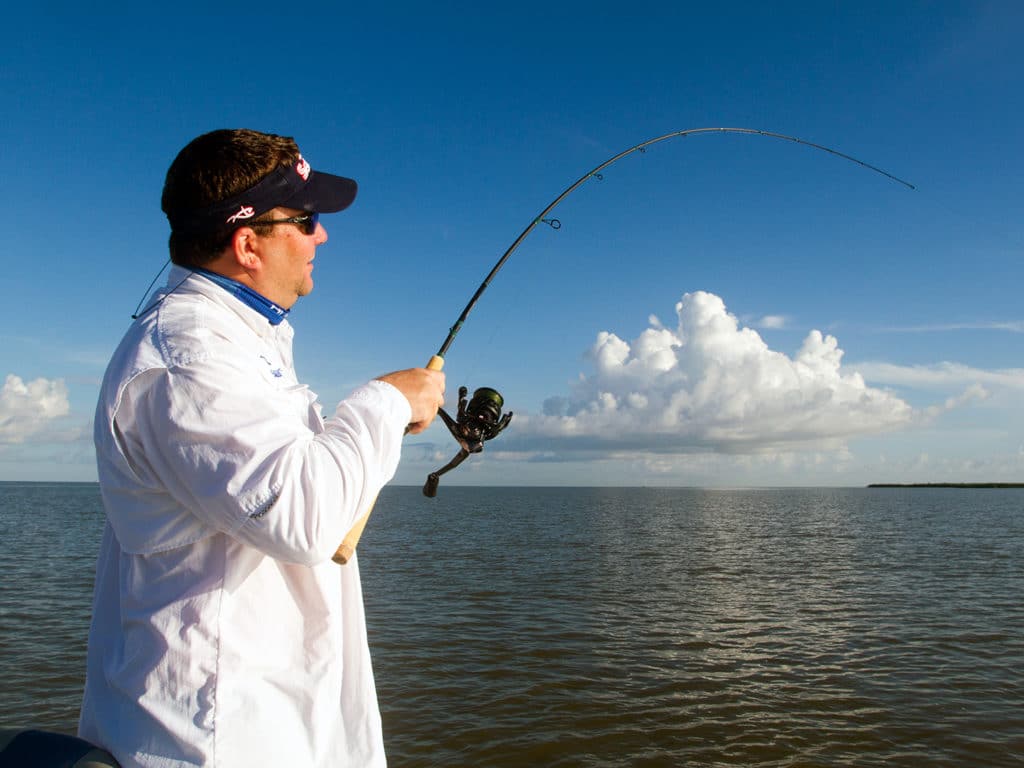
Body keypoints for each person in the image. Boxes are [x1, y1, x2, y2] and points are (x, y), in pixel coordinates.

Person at [79, 128, 445, 767]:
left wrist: (376, 429)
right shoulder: (188, 357)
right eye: (304, 220)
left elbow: (288, 489)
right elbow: (303, 519)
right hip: (216, 738)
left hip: (264, 722)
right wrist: (386, 401)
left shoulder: (234, 342)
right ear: (247, 244)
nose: (321, 235)